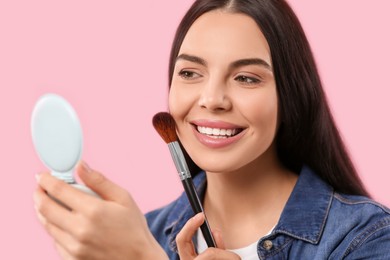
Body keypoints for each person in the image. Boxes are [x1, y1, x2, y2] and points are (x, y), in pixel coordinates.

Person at [34, 0, 390, 259]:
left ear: (290, 95)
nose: (212, 98)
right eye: (190, 73)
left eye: (246, 78)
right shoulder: (144, 233)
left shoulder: (364, 237)